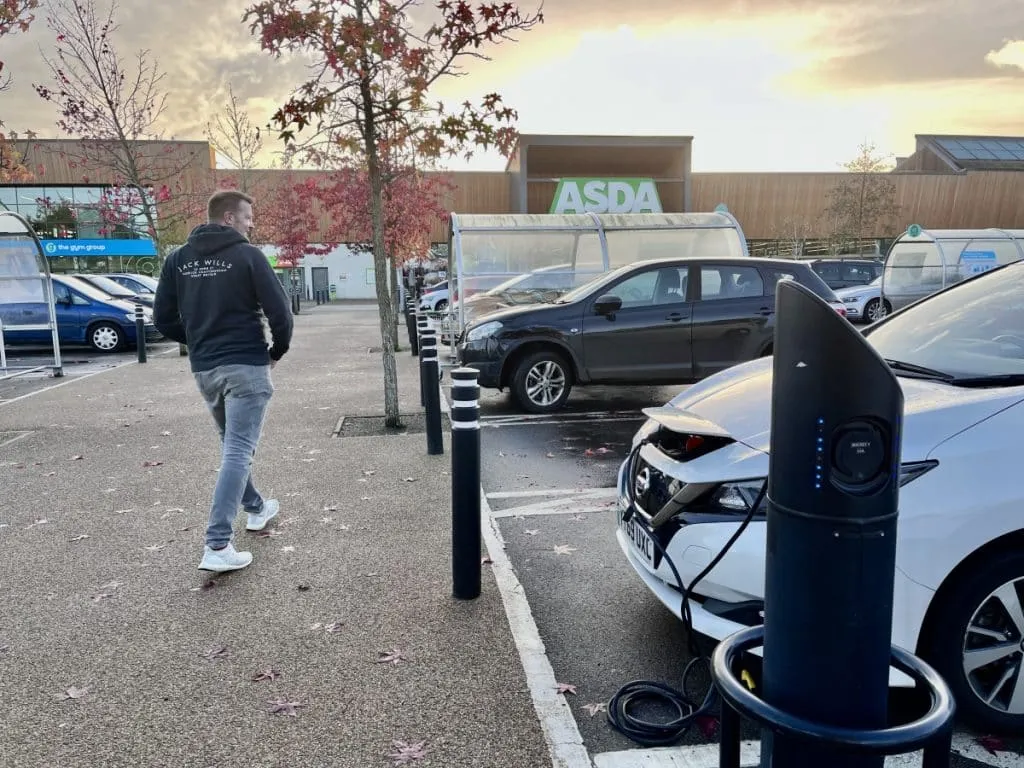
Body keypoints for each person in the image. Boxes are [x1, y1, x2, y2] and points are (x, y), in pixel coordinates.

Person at [153, 190, 293, 573]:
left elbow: (162, 318)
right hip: (245, 365)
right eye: (248, 217)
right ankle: (217, 543)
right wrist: (275, 351)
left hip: (206, 369)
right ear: (229, 217)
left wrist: (198, 341)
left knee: (232, 443)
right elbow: (281, 312)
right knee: (237, 450)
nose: (252, 224)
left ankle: (257, 508)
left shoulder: (178, 260)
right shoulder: (248, 256)